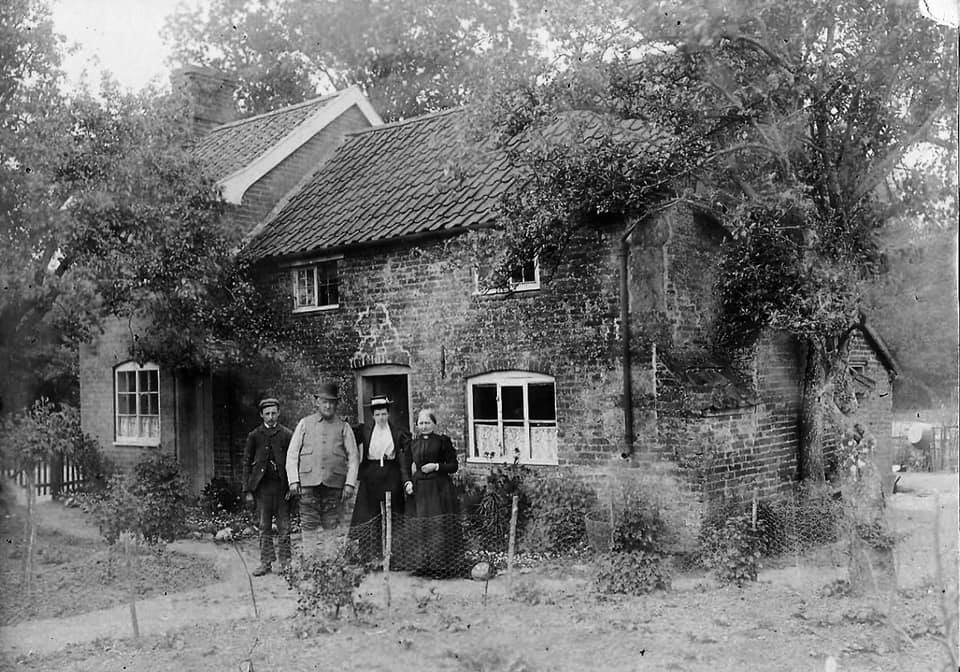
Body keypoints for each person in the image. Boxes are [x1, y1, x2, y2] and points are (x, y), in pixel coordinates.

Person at [285, 382, 360, 558]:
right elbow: (292, 453)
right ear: (317, 402)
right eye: (324, 401)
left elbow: (354, 457)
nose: (328, 406)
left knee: (331, 525)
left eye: (332, 402)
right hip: (308, 485)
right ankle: (310, 564)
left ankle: (330, 564)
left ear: (336, 404)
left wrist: (349, 483)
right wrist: (293, 480)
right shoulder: (305, 424)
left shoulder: (344, 427)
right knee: (309, 524)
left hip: (334, 485)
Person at [348, 396, 412, 564]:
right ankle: (370, 556)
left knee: (395, 513)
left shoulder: (398, 431)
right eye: (378, 415)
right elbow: (346, 434)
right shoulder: (365, 430)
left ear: (388, 414)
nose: (381, 418)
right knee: (369, 514)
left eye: (384, 414)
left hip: (391, 472)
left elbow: (406, 453)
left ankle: (396, 557)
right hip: (371, 473)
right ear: (372, 416)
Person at [407, 407, 466, 578]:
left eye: (427, 422)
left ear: (434, 424)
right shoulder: (413, 444)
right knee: (421, 527)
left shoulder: (442, 441)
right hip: (419, 490)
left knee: (438, 527)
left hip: (439, 489)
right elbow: (405, 466)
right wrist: (408, 482)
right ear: (417, 425)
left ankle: (441, 568)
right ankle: (422, 566)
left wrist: (437, 466)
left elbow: (453, 466)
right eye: (421, 423)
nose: (424, 426)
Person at [243, 398, 294, 576]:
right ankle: (266, 563)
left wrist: (292, 486)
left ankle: (285, 563)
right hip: (262, 489)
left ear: (278, 413)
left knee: (284, 527)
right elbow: (246, 463)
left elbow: (294, 461)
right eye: (267, 414)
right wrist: (248, 490)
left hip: (282, 488)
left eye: (274, 413)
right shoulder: (254, 436)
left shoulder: (287, 435)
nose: (271, 417)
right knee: (264, 526)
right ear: (261, 415)